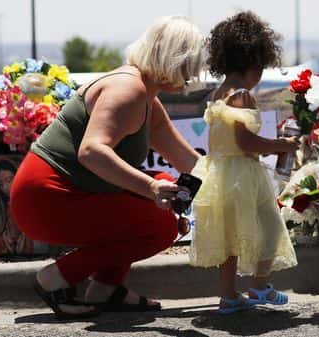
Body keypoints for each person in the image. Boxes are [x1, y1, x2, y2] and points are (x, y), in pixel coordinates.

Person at [10, 16, 203, 319]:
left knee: (165, 188)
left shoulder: (145, 96)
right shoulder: (130, 90)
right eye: (189, 64)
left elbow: (190, 162)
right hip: (46, 199)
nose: (192, 74)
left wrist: (244, 184)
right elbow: (91, 152)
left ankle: (105, 289)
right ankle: (55, 278)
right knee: (161, 224)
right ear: (172, 60)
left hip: (56, 194)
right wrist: (151, 189)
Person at [189, 11, 298, 314]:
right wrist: (281, 145)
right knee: (270, 226)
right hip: (242, 173)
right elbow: (245, 143)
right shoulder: (241, 97)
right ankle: (259, 284)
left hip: (220, 172)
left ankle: (228, 296)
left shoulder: (218, 92)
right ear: (254, 64)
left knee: (230, 238)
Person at [0, 159, 33, 255]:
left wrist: (24, 238)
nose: (5, 187)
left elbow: (44, 240)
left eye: (9, 180)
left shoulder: (33, 205)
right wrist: (3, 239)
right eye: (1, 184)